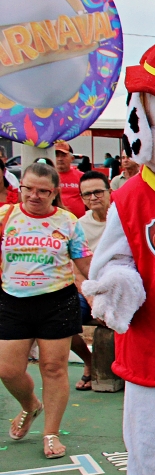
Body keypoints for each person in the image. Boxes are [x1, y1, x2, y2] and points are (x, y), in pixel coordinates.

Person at [1, 163, 91, 459]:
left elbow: (84, 263)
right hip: (12, 300)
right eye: (29, 189)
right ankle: (30, 405)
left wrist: (98, 293)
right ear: (21, 187)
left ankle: (51, 433)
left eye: (43, 191)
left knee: (53, 368)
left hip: (57, 301)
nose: (35, 196)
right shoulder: (5, 216)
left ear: (54, 193)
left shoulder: (68, 221)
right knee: (7, 370)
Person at [71, 171, 111, 390]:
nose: (93, 197)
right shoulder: (79, 226)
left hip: (119, 286)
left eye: (98, 191)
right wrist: (92, 299)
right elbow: (76, 272)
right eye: (87, 194)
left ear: (109, 192)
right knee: (63, 320)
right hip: (88, 289)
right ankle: (89, 361)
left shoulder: (123, 219)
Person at [53, 141, 85, 217]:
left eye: (63, 155)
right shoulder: (48, 177)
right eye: (57, 155)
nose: (60, 159)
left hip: (78, 221)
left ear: (72, 158)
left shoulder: (82, 177)